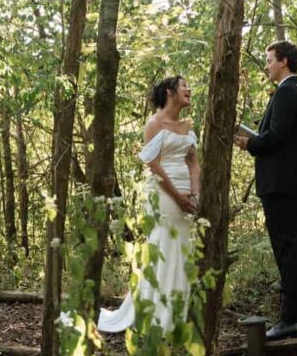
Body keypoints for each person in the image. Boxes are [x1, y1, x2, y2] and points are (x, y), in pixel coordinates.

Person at [65, 75, 200, 335]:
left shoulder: (187, 127)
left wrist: (194, 193)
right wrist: (177, 196)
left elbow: (194, 163)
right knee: (163, 246)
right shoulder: (154, 123)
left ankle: (179, 312)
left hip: (188, 193)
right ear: (171, 92)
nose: (189, 89)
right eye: (184, 86)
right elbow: (153, 164)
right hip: (164, 193)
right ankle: (156, 314)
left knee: (184, 250)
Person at [234, 40, 297, 341]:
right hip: (286, 184)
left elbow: (277, 135)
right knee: (293, 249)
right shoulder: (291, 92)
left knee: (287, 250)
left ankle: (292, 319)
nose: (266, 66)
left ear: (283, 62)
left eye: (269, 60)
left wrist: (250, 143)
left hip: (280, 185)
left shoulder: (287, 92)